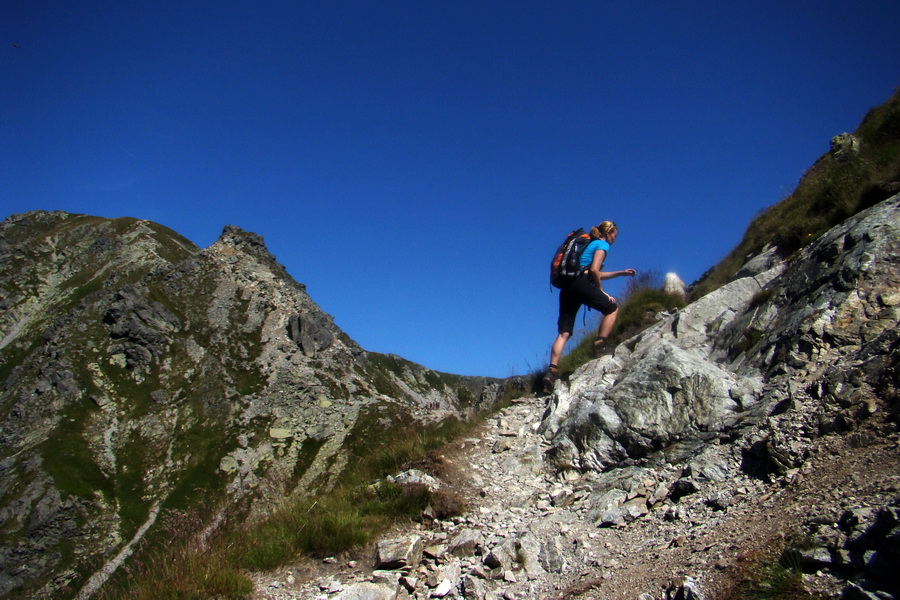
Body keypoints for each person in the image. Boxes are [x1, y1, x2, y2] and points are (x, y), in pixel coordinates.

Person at [543, 221, 636, 392]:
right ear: (608, 233)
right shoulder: (602, 244)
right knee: (611, 308)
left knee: (564, 332)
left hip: (568, 286)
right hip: (581, 283)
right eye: (615, 234)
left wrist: (621, 273)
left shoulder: (589, 245)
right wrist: (601, 292)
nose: (615, 238)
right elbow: (593, 271)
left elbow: (593, 271)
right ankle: (600, 345)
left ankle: (551, 372)